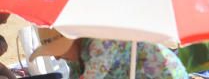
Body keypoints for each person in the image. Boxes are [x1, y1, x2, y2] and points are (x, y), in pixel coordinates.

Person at [27, 28, 186, 79]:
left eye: (58, 51)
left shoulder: (100, 44)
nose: (57, 57)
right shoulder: (76, 55)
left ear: (73, 41)